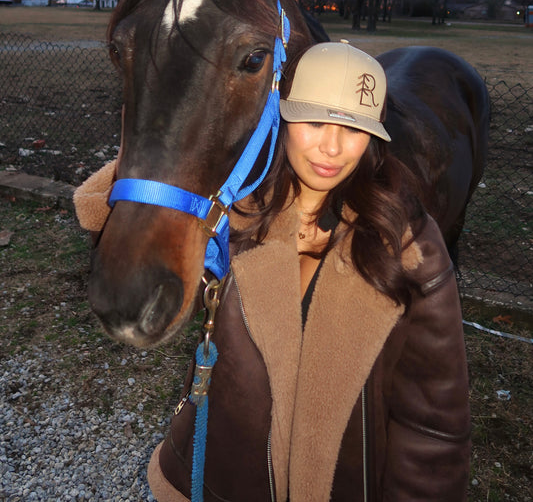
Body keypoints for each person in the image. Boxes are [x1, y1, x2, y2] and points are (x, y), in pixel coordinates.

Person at [75, 42, 471, 502]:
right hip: (220, 480)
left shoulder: (408, 248)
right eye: (314, 121)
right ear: (278, 118)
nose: (332, 147)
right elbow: (95, 211)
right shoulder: (236, 209)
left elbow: (433, 426)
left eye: (353, 127)